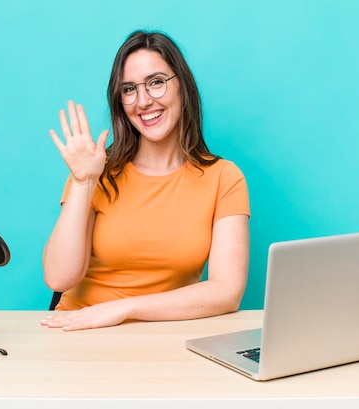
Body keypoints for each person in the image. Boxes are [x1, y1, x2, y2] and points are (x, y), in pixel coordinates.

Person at [41, 29, 250, 331]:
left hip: (164, 335)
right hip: (80, 328)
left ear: (182, 86)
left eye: (156, 83)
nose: (143, 101)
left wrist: (125, 308)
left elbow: (227, 292)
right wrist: (84, 182)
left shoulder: (223, 178)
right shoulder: (96, 170)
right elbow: (58, 278)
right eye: (129, 90)